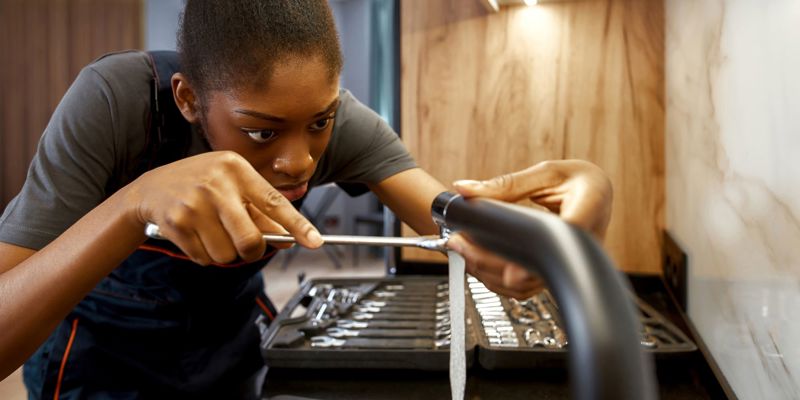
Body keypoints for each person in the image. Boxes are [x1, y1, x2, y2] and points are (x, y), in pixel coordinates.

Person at [0, 0, 612, 398]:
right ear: (188, 100)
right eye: (261, 131)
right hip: (99, 362)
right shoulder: (115, 105)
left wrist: (555, 236)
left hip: (233, 352)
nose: (299, 160)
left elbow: (478, 244)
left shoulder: (342, 124)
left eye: (319, 122)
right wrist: (134, 205)